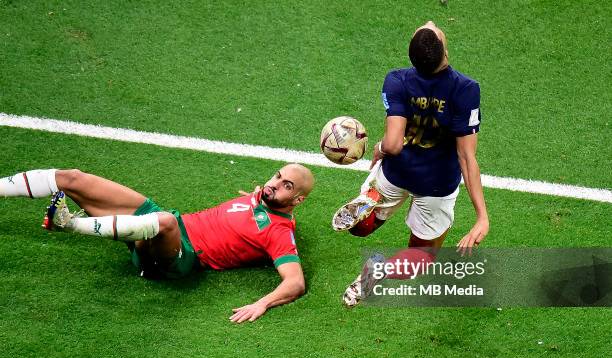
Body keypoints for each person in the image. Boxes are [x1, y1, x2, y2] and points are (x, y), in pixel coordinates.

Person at [0, 164, 314, 323]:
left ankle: (69, 225)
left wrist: (261, 304)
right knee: (73, 179)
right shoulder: (263, 194)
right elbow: (258, 197)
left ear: (297, 200)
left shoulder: (279, 231)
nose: (274, 185)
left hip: (178, 257)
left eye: (287, 186)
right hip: (158, 225)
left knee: (164, 221)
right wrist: (263, 191)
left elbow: (295, 282)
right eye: (277, 177)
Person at [333, 21, 489, 306]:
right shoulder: (466, 89)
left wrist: (378, 148)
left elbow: (392, 144)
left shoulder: (397, 80)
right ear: (443, 51)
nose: (430, 23)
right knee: (421, 258)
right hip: (436, 186)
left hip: (395, 173)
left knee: (362, 228)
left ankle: (367, 205)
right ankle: (378, 270)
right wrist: (482, 216)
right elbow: (467, 157)